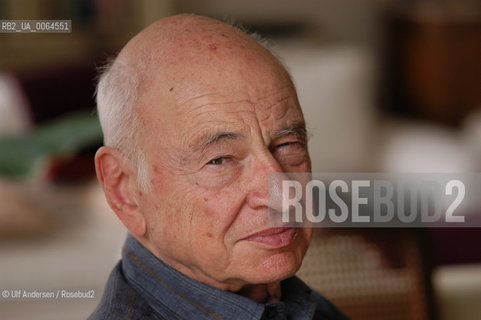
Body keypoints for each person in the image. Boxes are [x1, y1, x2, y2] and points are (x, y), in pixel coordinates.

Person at [89, 14, 348, 320]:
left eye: (287, 145)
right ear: (125, 191)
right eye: (220, 160)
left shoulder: (293, 303)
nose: (282, 195)